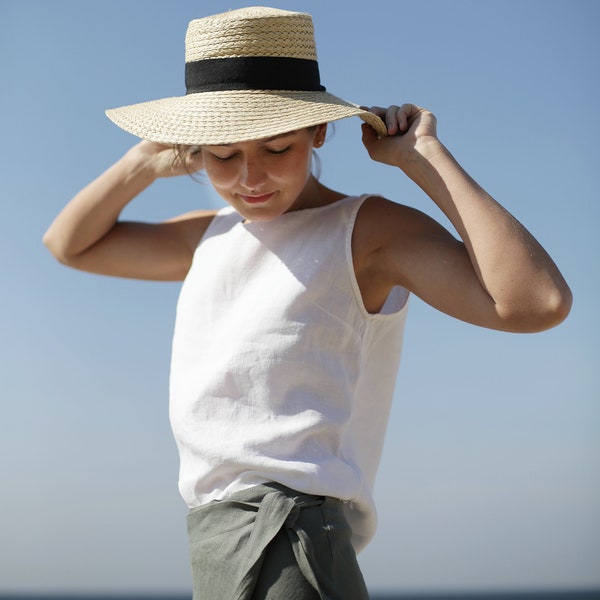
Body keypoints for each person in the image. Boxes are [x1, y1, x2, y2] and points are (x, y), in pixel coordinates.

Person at [43, 6, 572, 600]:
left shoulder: (365, 231)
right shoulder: (211, 236)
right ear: (197, 149)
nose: (251, 178)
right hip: (218, 538)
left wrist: (425, 162)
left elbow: (537, 302)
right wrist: (143, 161)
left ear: (320, 131)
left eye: (277, 148)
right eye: (223, 155)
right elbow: (69, 245)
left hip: (286, 533)